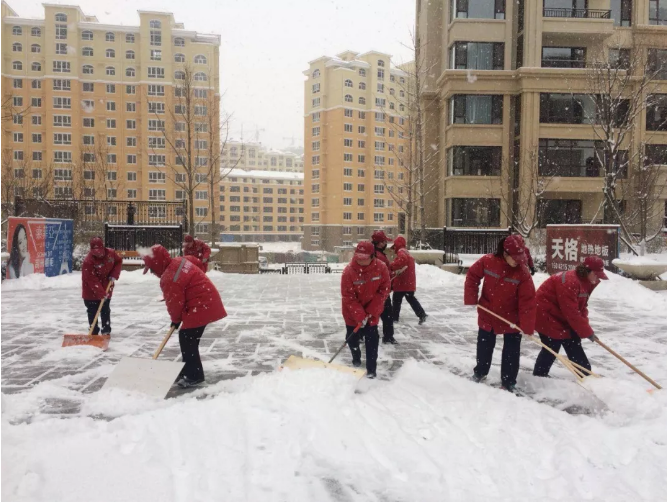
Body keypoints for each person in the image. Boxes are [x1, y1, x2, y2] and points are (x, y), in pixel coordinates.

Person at [142, 244, 227, 388]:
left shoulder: (169, 277)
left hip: (201, 305)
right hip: (206, 300)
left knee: (187, 338)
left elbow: (175, 303)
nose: (151, 272)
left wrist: (175, 320)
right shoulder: (177, 261)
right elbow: (195, 261)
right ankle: (189, 369)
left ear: (157, 264)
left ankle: (194, 375)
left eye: (151, 268)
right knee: (189, 338)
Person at [464, 235, 536, 392]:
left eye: (520, 257)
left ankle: (509, 381)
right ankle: (480, 372)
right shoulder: (488, 261)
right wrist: (471, 298)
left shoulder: (523, 272)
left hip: (512, 317)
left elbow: (528, 301)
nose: (517, 261)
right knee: (484, 345)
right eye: (514, 257)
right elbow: (472, 276)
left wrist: (527, 326)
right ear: (505, 253)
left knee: (512, 350)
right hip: (488, 311)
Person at [533, 256, 608, 378]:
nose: (597, 278)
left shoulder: (586, 282)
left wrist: (585, 329)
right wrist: (586, 331)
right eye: (596, 274)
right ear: (587, 271)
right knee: (552, 346)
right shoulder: (569, 281)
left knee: (574, 341)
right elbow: (572, 313)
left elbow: (581, 308)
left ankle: (585, 374)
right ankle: (539, 376)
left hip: (561, 315)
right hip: (546, 314)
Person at [341, 241, 391, 379]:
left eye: (364, 258)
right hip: (352, 313)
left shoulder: (381, 268)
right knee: (352, 339)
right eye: (358, 257)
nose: (361, 261)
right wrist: (359, 314)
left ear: (372, 256)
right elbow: (348, 296)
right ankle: (356, 357)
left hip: (372, 312)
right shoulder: (348, 272)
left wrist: (372, 309)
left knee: (372, 340)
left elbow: (385, 288)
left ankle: (371, 370)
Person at [81, 237, 123, 336]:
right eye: (95, 252)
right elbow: (91, 279)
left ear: (103, 247)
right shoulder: (88, 261)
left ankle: (106, 331)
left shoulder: (111, 254)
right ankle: (94, 332)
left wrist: (114, 274)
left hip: (106, 286)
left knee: (105, 310)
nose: (98, 254)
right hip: (90, 291)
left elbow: (118, 262)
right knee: (92, 311)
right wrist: (101, 293)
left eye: (99, 251)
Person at [390, 236, 428, 324]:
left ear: (398, 245)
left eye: (395, 246)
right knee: (411, 298)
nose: (394, 248)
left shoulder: (401, 252)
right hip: (409, 282)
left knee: (396, 300)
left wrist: (391, 266)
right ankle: (421, 314)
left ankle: (394, 318)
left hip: (402, 283)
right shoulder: (406, 252)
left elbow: (402, 261)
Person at [371, 230, 397, 344]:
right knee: (386, 315)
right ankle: (387, 336)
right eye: (384, 241)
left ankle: (367, 335)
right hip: (380, 290)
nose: (386, 243)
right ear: (379, 243)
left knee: (374, 314)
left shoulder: (376, 253)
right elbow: (382, 273)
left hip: (377, 289)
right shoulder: (379, 256)